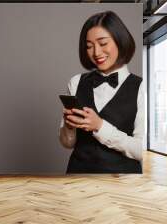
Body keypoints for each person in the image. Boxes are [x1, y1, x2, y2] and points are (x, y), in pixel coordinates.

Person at [59, 11, 144, 174]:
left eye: (103, 43)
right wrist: (69, 127)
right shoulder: (76, 82)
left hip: (123, 184)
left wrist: (100, 127)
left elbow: (141, 150)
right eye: (89, 46)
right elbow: (67, 143)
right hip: (77, 179)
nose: (96, 53)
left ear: (120, 41)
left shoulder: (141, 87)